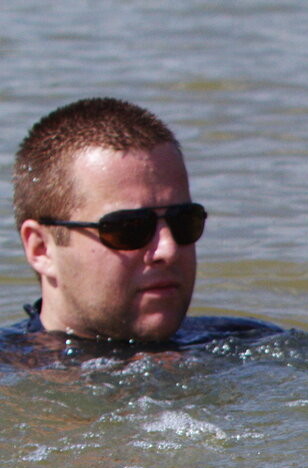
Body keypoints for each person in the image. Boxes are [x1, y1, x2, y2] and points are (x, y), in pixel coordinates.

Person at [6, 97, 277, 358]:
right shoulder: (12, 375)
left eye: (184, 222)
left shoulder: (256, 350)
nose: (168, 249)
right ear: (41, 248)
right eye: (129, 228)